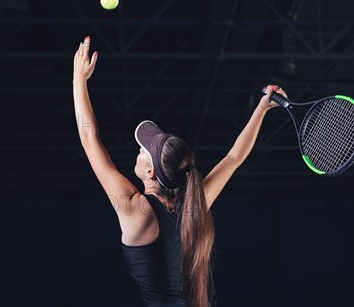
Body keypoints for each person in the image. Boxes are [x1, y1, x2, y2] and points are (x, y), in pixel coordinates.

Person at [72, 36, 287, 307]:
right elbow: (233, 158)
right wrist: (262, 108)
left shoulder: (140, 210)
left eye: (142, 151)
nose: (137, 151)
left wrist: (78, 80)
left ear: (150, 171)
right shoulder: (192, 208)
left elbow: (90, 141)